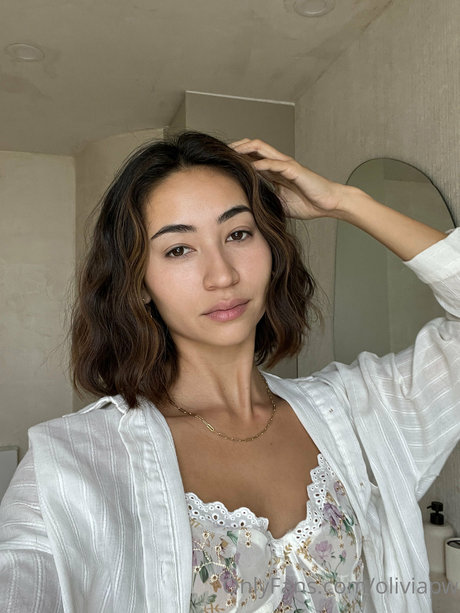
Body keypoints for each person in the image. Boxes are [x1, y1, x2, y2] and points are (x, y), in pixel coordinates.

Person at [0, 131, 458, 613]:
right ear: (138, 284)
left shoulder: (357, 413)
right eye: (179, 249)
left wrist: (346, 203)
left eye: (238, 234)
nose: (222, 275)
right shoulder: (73, 465)